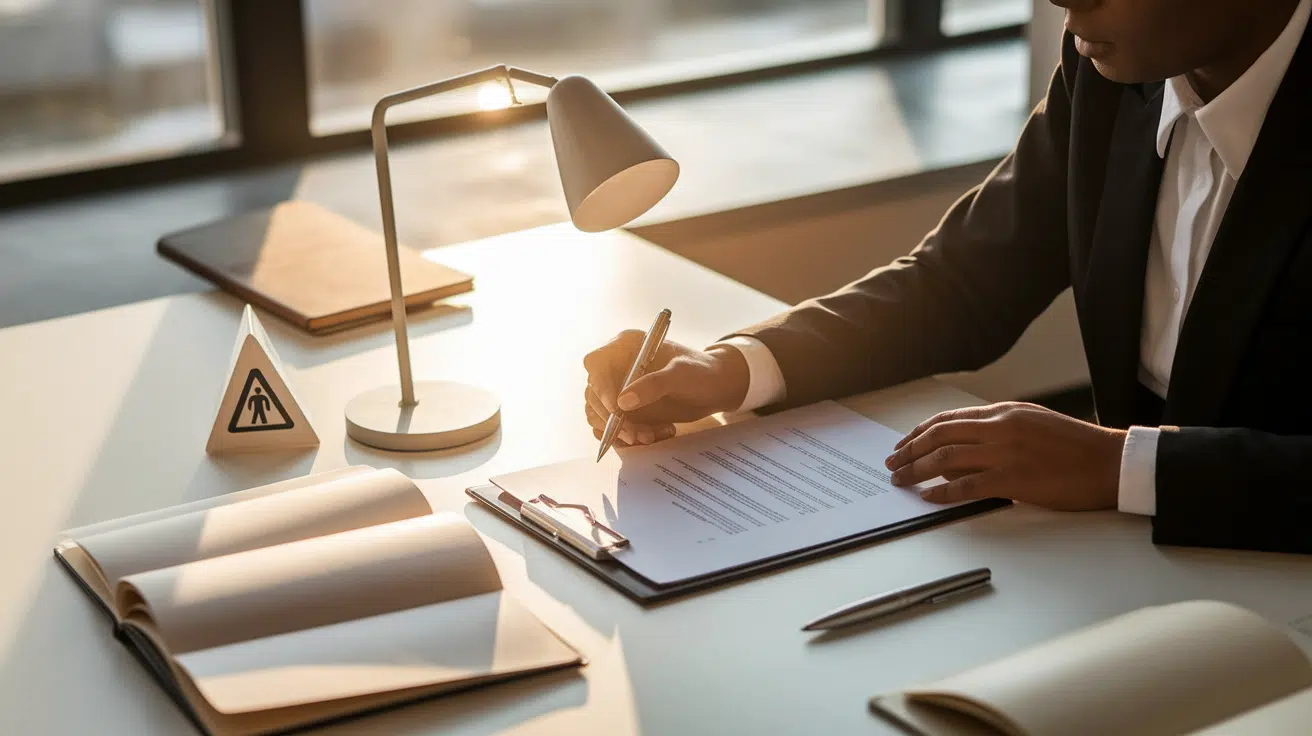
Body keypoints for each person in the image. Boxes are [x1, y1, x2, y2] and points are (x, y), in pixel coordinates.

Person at [582, 0, 1312, 554]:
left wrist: (1119, 463)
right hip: (1130, 566)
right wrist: (734, 367)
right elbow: (962, 283)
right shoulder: (1114, 75)